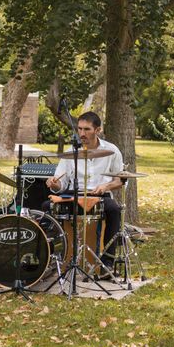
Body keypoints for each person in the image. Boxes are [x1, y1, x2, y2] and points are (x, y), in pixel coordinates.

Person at [45, 112, 123, 277]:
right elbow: (61, 183)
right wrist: (54, 183)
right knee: (46, 207)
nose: (81, 133)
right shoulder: (70, 152)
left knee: (114, 209)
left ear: (98, 130)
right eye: (79, 129)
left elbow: (121, 180)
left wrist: (106, 185)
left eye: (87, 129)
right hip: (75, 195)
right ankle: (50, 257)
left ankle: (107, 261)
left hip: (100, 195)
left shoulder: (112, 150)